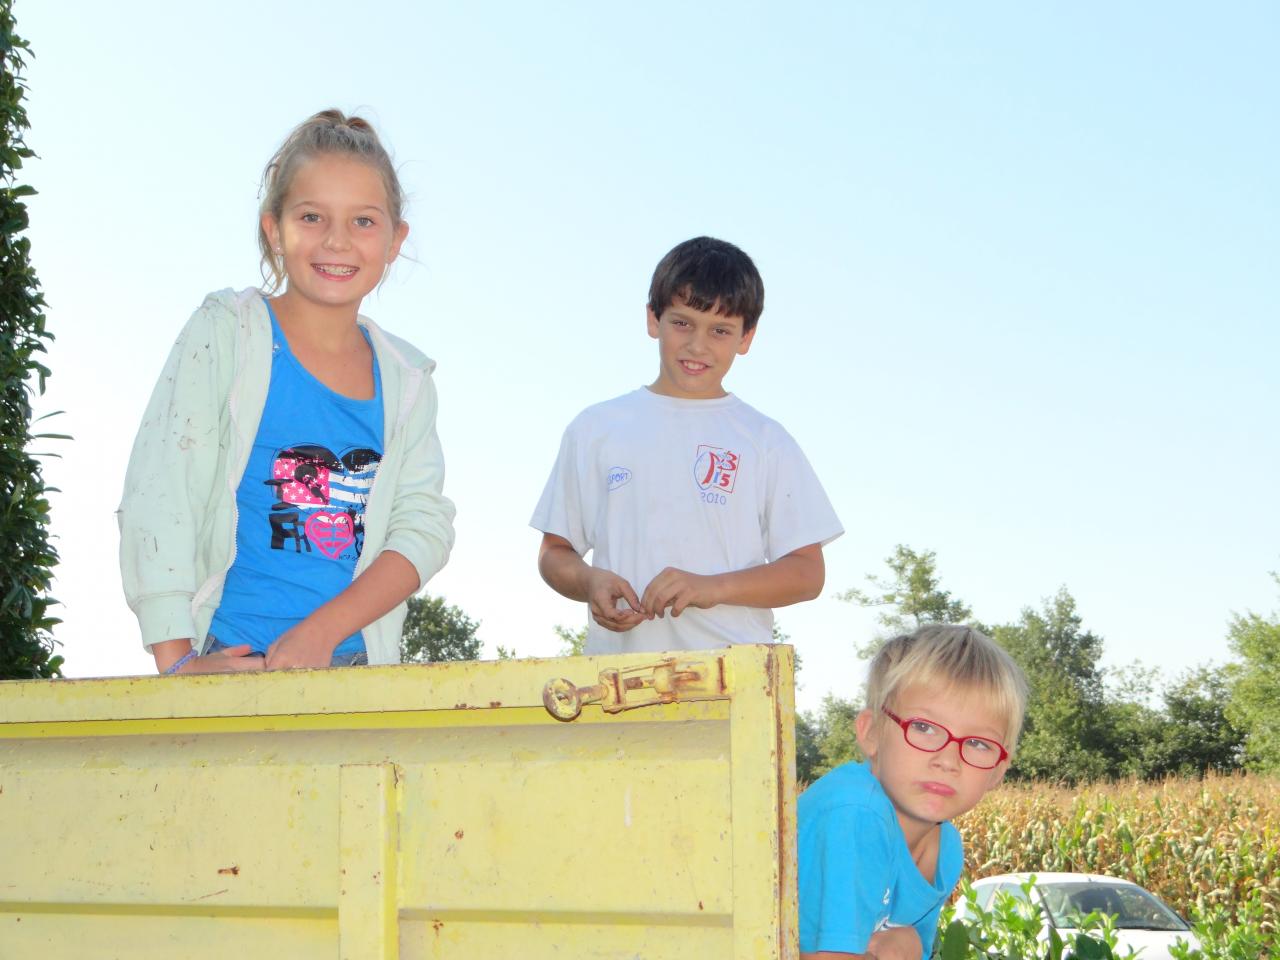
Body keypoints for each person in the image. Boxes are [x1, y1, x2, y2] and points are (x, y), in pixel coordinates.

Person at [118, 110, 455, 676]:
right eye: (312, 216)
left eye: (364, 222)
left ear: (396, 240)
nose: (337, 240)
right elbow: (161, 490)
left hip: (352, 666)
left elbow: (423, 527)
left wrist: (321, 633)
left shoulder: (409, 381)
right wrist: (176, 665)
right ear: (275, 228)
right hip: (222, 657)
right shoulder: (226, 331)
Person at [530, 236, 842, 654]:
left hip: (733, 684)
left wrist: (711, 587)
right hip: (614, 684)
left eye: (720, 330)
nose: (698, 345)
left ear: (746, 338)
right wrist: (589, 581)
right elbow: (555, 552)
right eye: (682, 323)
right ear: (653, 319)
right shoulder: (596, 428)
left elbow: (807, 574)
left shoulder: (765, 440)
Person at [797, 624, 1029, 959]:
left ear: (997, 770)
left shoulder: (946, 850)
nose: (948, 760)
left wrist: (908, 945)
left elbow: (910, 949)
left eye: (978, 743)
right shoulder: (855, 814)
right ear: (872, 732)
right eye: (924, 727)